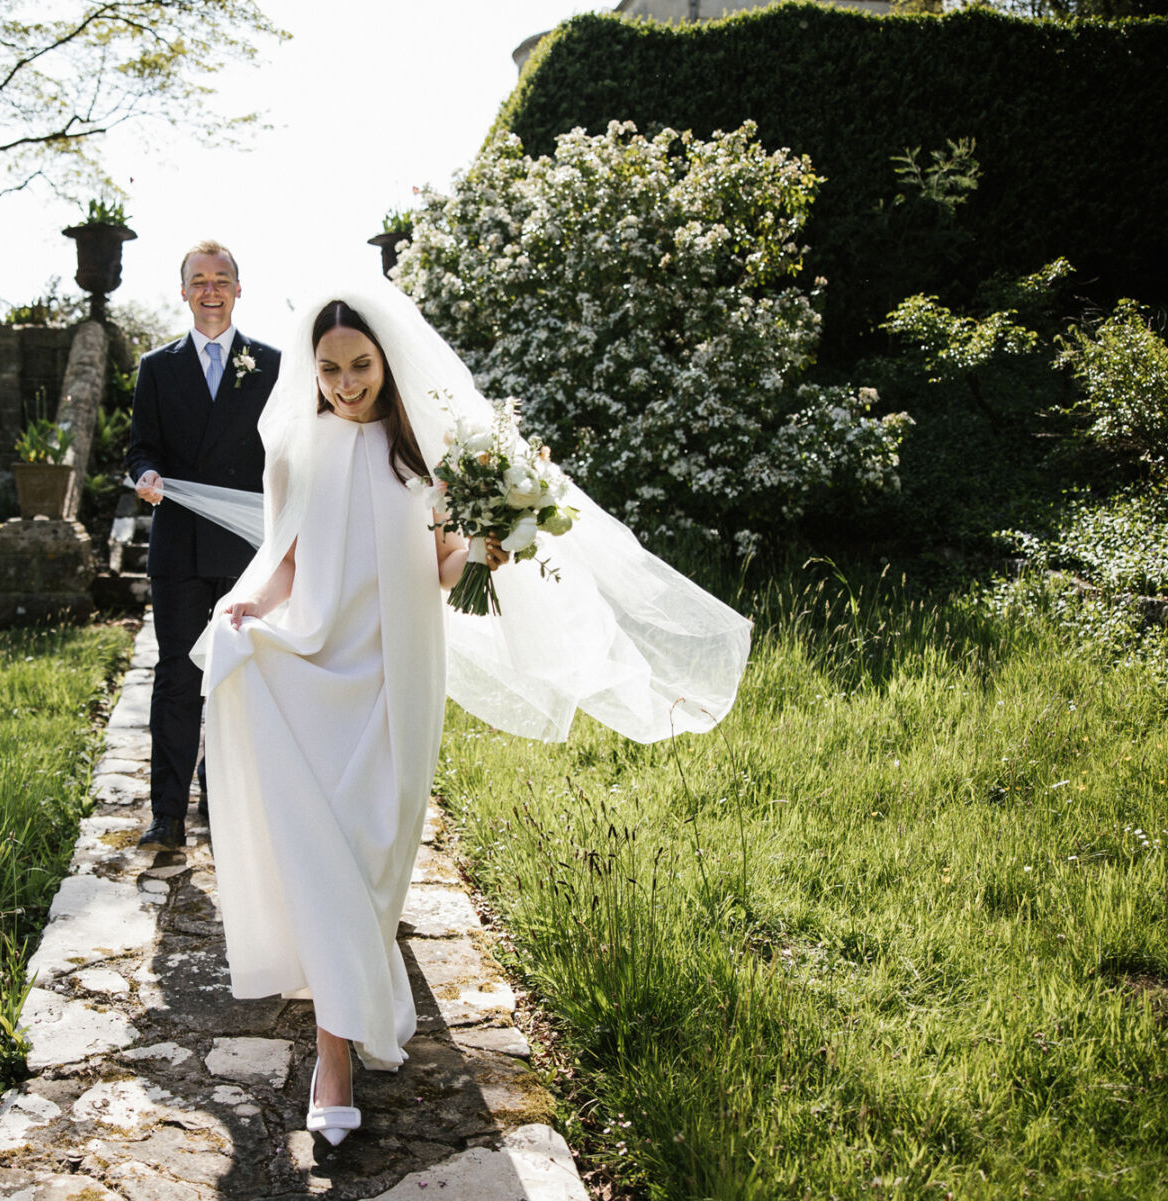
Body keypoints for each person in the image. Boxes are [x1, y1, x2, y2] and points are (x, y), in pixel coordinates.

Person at [187, 279, 753, 1148]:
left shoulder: (430, 457)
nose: (345, 384)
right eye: (330, 369)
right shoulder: (297, 451)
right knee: (334, 840)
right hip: (319, 663)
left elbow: (442, 573)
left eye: (361, 366)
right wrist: (249, 607)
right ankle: (333, 1053)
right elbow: (284, 560)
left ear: (385, 359)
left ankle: (351, 998)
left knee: (380, 848)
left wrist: (488, 544)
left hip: (400, 671)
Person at [125, 240, 281, 850]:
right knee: (175, 676)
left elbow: (286, 453)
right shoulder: (156, 368)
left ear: (238, 290)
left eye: (221, 279)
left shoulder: (270, 364)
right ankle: (167, 812)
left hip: (247, 550)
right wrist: (145, 475)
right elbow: (143, 446)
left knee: (236, 678)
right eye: (198, 280)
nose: (210, 289)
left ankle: (223, 801)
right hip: (180, 547)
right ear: (183, 291)